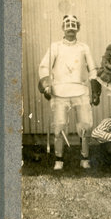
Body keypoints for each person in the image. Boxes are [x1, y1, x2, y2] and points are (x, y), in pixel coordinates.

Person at [38, 14, 100, 171]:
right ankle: (59, 160)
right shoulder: (55, 46)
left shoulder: (84, 47)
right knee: (59, 126)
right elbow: (44, 66)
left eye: (74, 28)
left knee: (85, 126)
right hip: (60, 91)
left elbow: (92, 69)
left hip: (80, 90)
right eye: (68, 28)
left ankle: (84, 159)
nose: (71, 31)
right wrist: (47, 86)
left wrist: (94, 89)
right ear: (63, 29)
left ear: (78, 29)